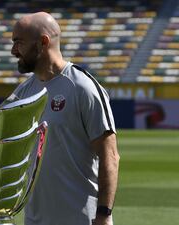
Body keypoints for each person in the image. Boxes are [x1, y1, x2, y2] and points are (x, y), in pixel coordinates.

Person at [6, 12, 120, 225]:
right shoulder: (23, 92)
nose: (13, 51)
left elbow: (110, 156)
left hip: (81, 220)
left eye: (18, 42)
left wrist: (104, 214)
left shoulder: (83, 87)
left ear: (43, 42)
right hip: (35, 220)